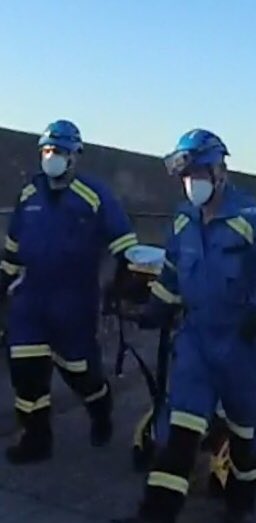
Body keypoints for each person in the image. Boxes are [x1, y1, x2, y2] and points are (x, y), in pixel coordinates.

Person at [115, 129, 256, 523]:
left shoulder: (253, 217)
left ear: (220, 170)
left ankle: (241, 504)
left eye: (199, 172)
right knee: (180, 429)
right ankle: (155, 515)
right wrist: (155, 309)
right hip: (198, 342)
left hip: (243, 344)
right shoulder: (184, 221)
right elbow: (171, 274)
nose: (192, 182)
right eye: (187, 175)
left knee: (246, 433)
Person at [0, 119, 138, 465]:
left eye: (59, 151)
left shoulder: (94, 195)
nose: (51, 157)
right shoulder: (29, 195)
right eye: (46, 150)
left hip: (74, 302)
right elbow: (13, 250)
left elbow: (125, 244)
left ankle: (100, 407)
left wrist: (125, 284)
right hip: (31, 300)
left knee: (80, 372)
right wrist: (2, 282)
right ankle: (36, 437)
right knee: (25, 373)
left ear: (75, 155)